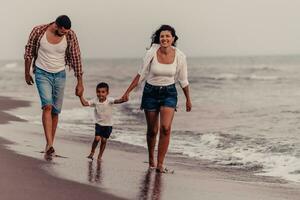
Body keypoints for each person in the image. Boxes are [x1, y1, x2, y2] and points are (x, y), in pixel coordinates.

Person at [121, 25, 192, 173]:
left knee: (165, 128)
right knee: (152, 131)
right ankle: (151, 160)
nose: (165, 39)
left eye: (168, 36)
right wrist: (127, 92)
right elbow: (140, 74)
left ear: (173, 38)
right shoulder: (151, 53)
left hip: (169, 93)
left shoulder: (180, 56)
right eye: (162, 36)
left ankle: (160, 164)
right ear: (159, 39)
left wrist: (188, 99)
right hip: (150, 92)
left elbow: (183, 80)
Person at [24, 15, 84, 156]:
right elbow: (28, 52)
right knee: (47, 106)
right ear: (56, 25)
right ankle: (50, 145)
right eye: (63, 31)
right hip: (42, 73)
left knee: (55, 111)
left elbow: (76, 57)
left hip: (60, 74)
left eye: (67, 31)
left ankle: (49, 143)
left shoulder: (70, 35)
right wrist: (26, 72)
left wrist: (80, 82)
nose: (65, 33)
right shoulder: (38, 31)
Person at [79, 82, 125, 160]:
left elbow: (118, 101)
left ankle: (100, 155)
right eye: (98, 92)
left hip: (108, 125)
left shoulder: (109, 100)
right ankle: (92, 152)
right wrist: (80, 96)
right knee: (97, 139)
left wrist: (123, 99)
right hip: (99, 124)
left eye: (103, 92)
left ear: (107, 93)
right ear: (96, 92)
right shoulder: (95, 100)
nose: (100, 94)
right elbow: (85, 103)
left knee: (104, 140)